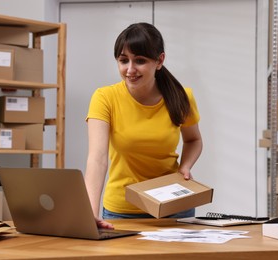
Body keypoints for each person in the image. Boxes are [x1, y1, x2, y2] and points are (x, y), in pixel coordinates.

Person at [84, 22, 202, 229]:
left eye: (139, 60)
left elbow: (193, 140)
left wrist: (185, 166)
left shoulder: (181, 96)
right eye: (123, 60)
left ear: (159, 61)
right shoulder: (105, 98)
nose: (130, 69)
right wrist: (89, 213)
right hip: (122, 210)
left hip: (174, 205)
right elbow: (97, 158)